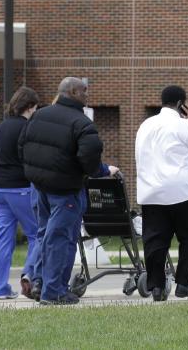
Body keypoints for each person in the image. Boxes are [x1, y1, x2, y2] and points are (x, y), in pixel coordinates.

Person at [19, 77, 119, 305]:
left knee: (45, 235)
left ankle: (41, 283)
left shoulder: (39, 115)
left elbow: (22, 146)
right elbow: (90, 159)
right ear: (72, 92)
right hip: (66, 192)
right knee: (61, 239)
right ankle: (54, 292)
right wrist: (102, 170)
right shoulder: (81, 123)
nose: (87, 96)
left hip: (40, 188)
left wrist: (34, 172)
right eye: (84, 91)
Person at [135, 86, 188, 301]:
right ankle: (184, 282)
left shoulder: (145, 125)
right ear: (181, 104)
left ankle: (156, 286)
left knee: (155, 240)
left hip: (150, 191)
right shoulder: (182, 123)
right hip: (181, 190)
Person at [0, 87, 41, 300]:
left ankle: (0, 288)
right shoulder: (27, 127)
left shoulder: (2, 127)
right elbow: (30, 158)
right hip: (19, 188)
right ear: (30, 107)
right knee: (37, 234)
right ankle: (29, 275)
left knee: (4, 239)